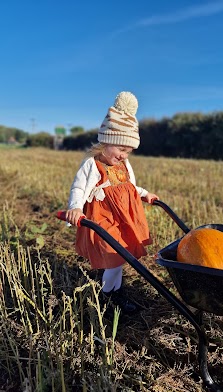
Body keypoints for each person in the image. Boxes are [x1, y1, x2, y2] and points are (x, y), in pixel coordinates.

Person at [66, 91, 159, 313]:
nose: (125, 155)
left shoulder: (124, 166)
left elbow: (130, 186)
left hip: (124, 220)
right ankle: (108, 297)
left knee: (121, 256)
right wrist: (75, 208)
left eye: (129, 151)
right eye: (122, 149)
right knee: (115, 257)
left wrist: (144, 193)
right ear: (107, 141)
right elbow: (78, 187)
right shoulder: (92, 164)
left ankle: (114, 291)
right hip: (104, 220)